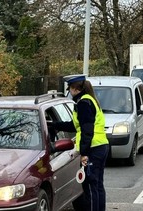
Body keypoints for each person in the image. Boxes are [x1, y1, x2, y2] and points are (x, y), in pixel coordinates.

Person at [51, 74, 109, 211]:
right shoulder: (90, 100)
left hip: (93, 149)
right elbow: (76, 125)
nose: (69, 92)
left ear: (75, 89)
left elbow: (87, 130)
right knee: (98, 186)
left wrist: (84, 153)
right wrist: (56, 125)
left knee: (90, 186)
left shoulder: (84, 103)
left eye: (69, 89)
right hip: (101, 146)